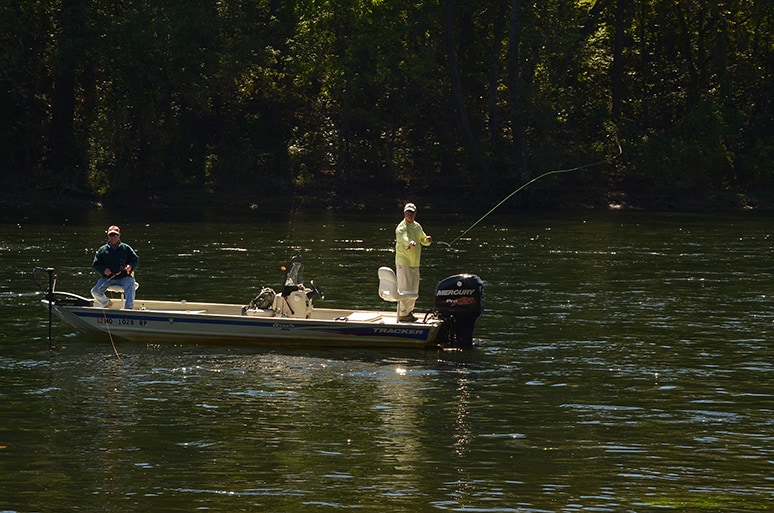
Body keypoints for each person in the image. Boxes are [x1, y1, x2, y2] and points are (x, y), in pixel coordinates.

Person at [394, 202, 432, 322]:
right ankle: (402, 313)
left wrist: (427, 240)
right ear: (404, 213)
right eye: (408, 212)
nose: (410, 214)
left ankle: (409, 312)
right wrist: (409, 242)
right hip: (404, 262)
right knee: (404, 289)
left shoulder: (417, 226)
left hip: (415, 263)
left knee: (414, 290)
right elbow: (403, 238)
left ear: (415, 213)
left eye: (412, 212)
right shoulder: (401, 227)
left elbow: (423, 239)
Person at [91, 225, 139, 309]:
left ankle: (129, 308)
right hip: (108, 278)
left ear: (119, 235)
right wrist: (104, 270)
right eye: (111, 235)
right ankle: (106, 303)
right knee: (95, 291)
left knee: (131, 284)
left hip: (124, 277)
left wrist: (130, 266)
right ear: (108, 236)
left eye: (115, 235)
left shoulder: (126, 248)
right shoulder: (102, 250)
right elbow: (96, 264)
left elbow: (135, 260)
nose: (113, 237)